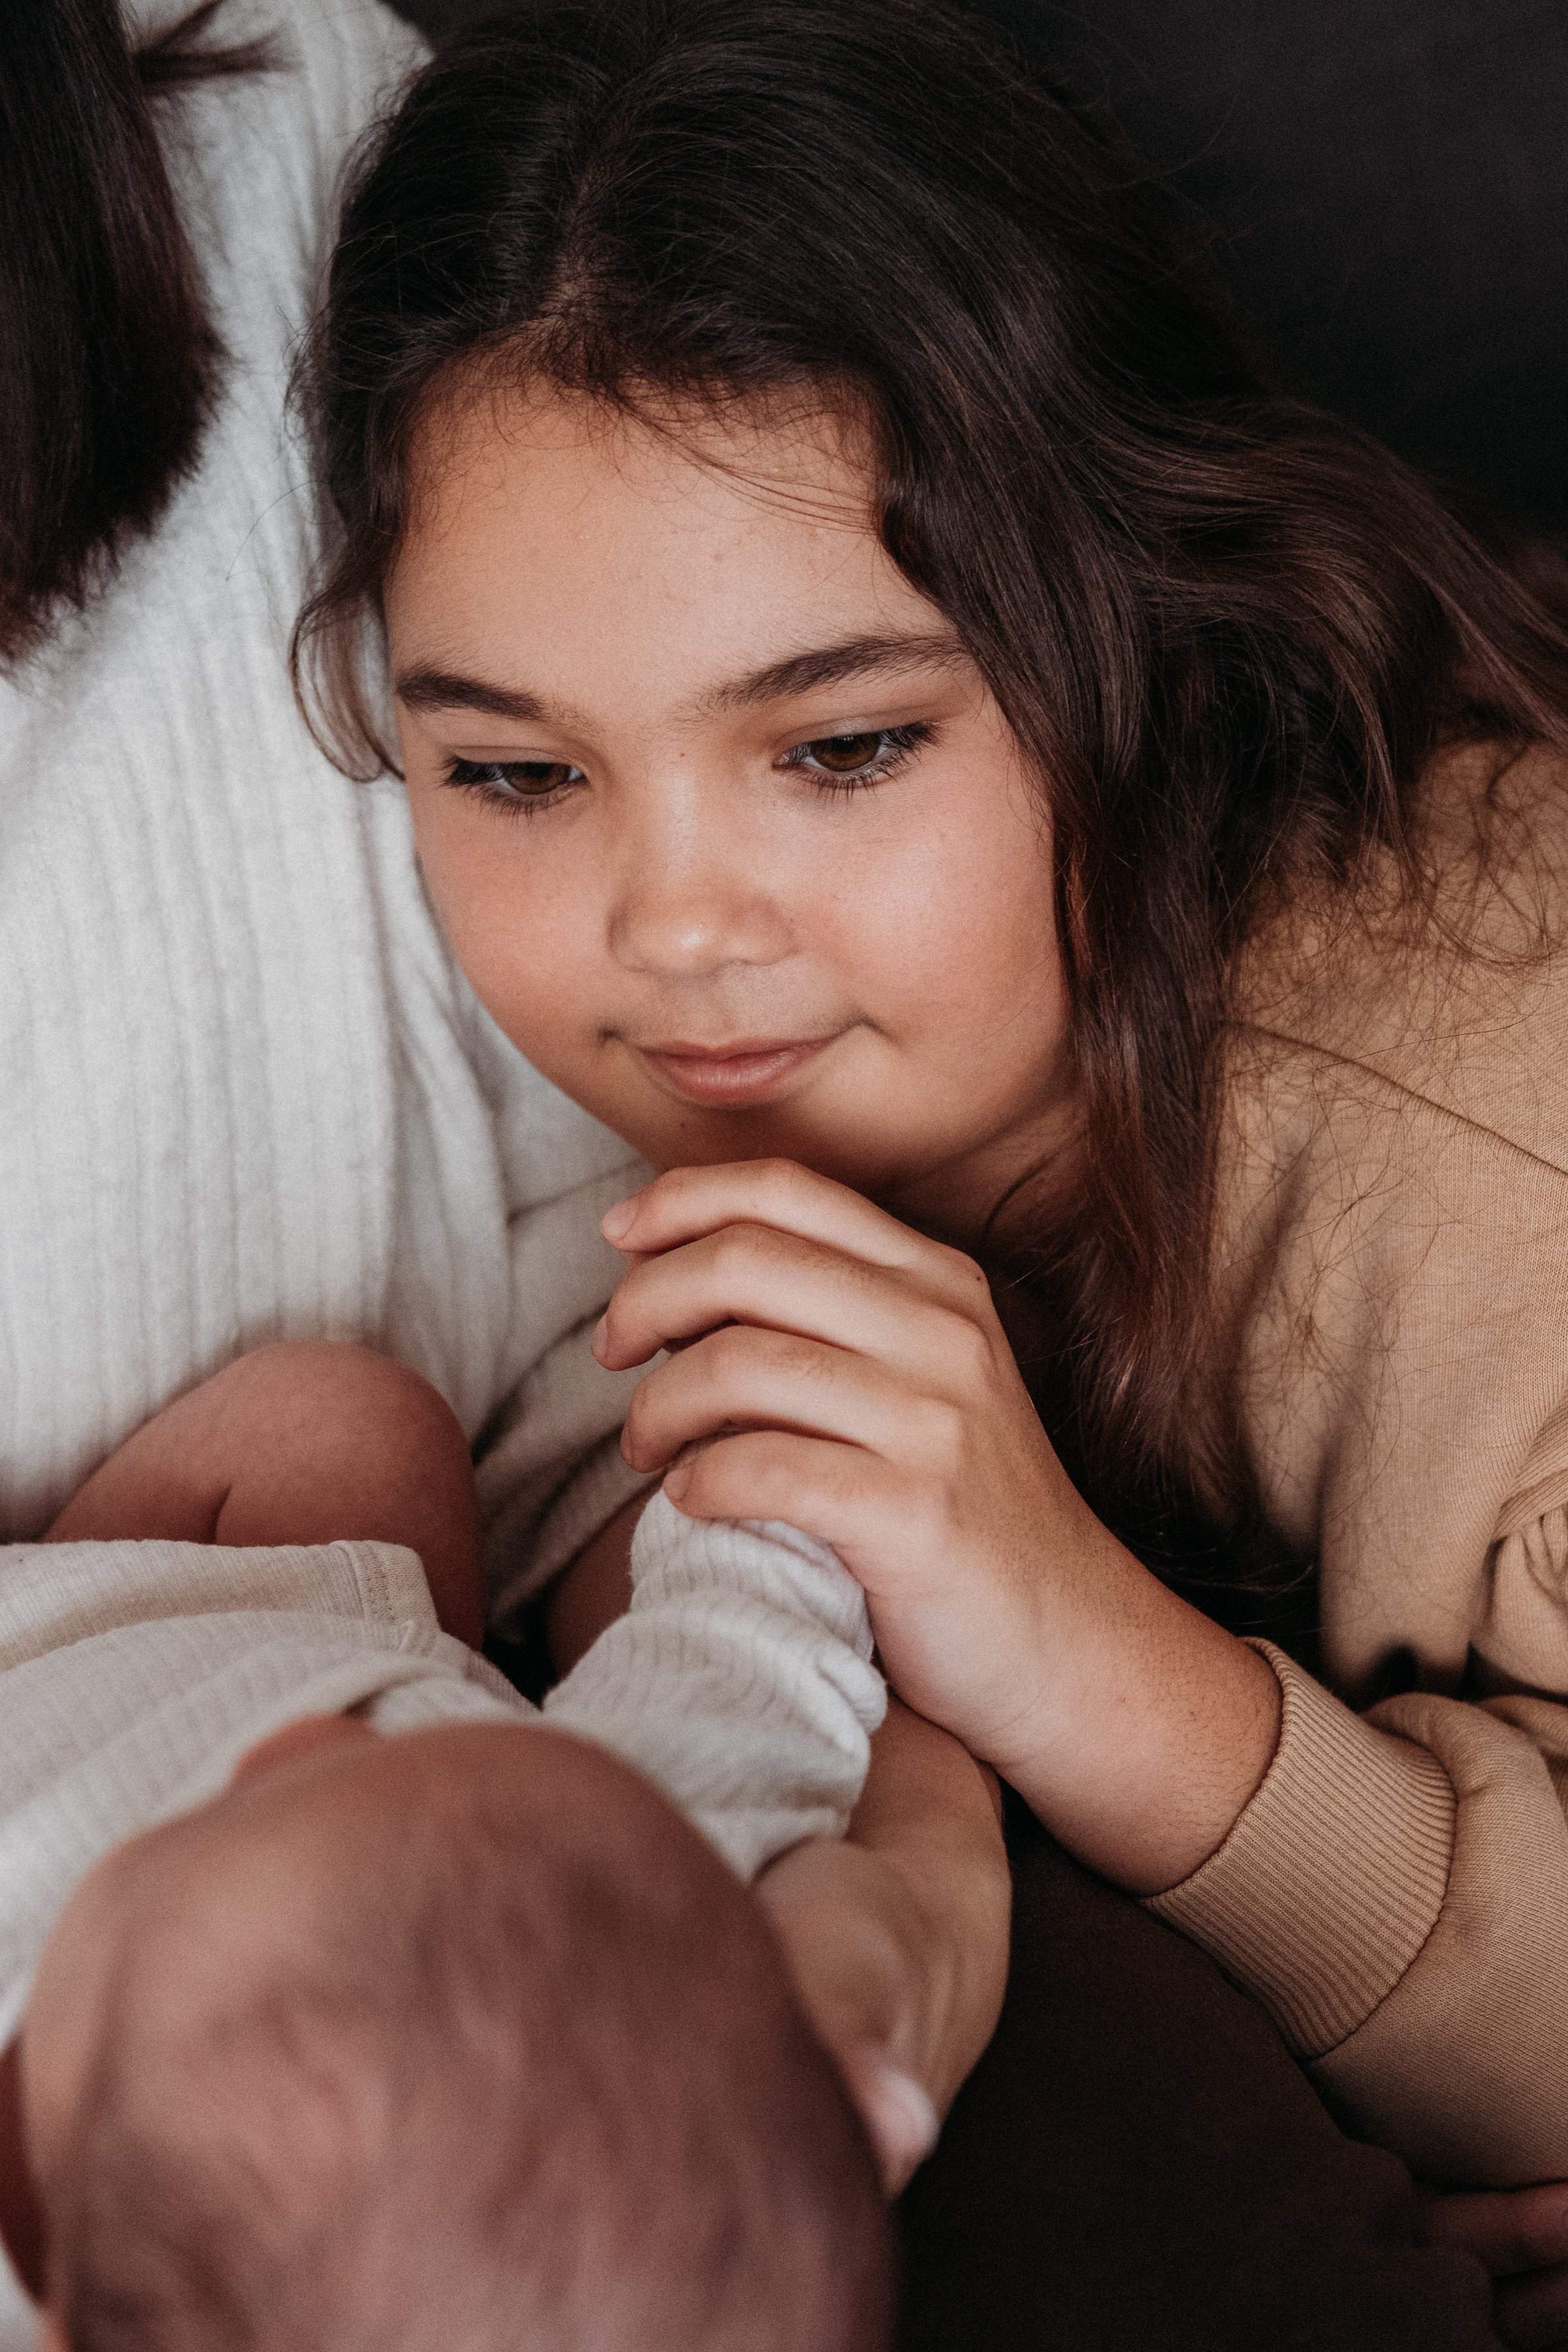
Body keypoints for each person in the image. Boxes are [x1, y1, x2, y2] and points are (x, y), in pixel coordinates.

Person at [291, 0, 1568, 2340]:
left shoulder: (1505, 1159)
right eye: (514, 775)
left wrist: (1082, 1649)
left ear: (1154, 627)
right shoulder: (637, 1154)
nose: (673, 931)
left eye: (844, 744)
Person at [0, 0, 1006, 2334]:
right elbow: (774, 1567)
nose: (279, 1749)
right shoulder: (688, 1862)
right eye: (515, 777)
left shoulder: (270, 152)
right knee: (346, 1430)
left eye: (843, 744)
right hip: (279, 1564)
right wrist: (912, 1919)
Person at [0, 1348, 892, 2349]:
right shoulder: (659, 1876)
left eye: (198, 1821)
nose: (295, 1739)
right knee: (352, 1430)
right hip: (257, 1611)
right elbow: (753, 1637)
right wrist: (785, 1402)